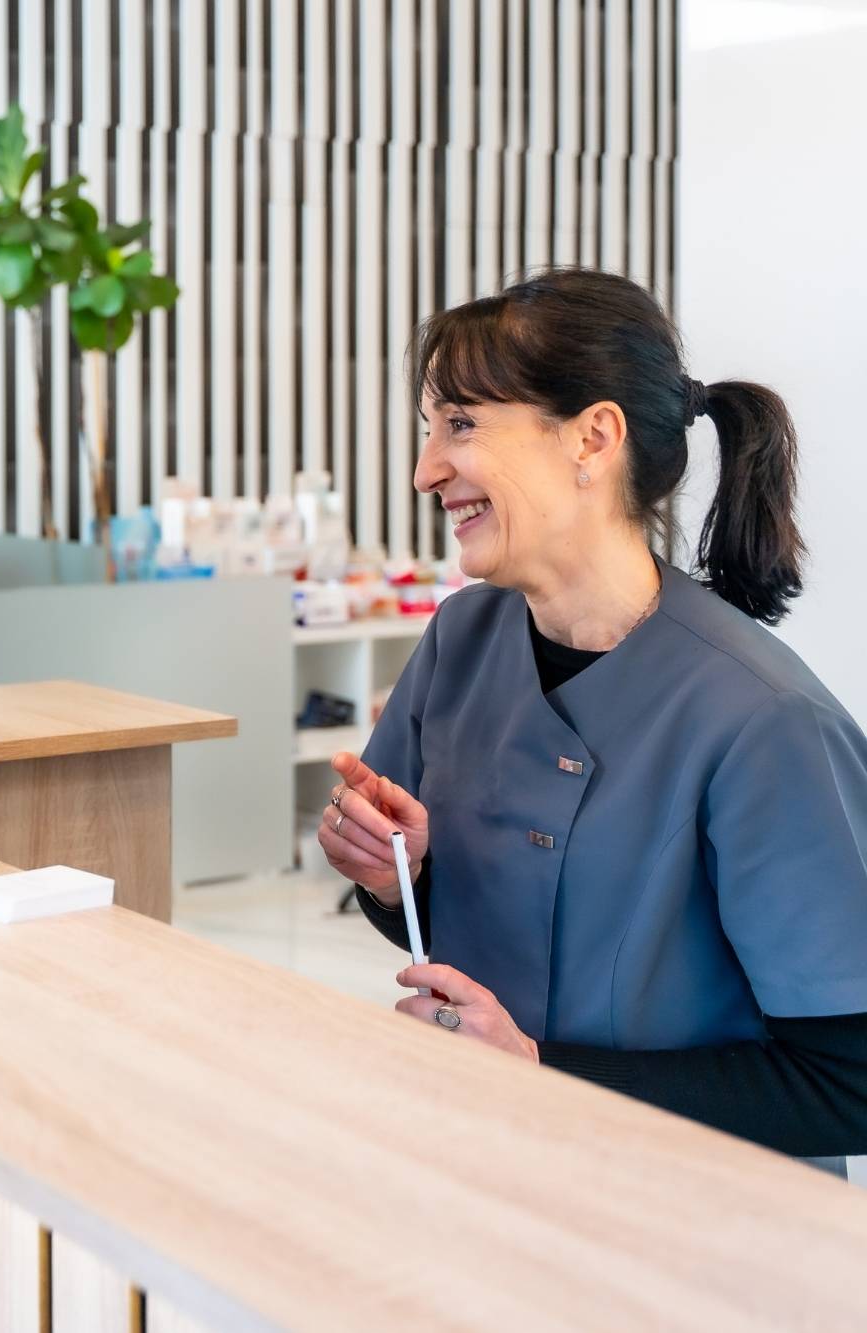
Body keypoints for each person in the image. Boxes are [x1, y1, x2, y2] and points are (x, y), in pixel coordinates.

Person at [323, 267, 867, 1172]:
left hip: (698, 1242)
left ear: (593, 438)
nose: (425, 471)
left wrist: (539, 1070)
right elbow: (443, 928)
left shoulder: (763, 722)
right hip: (490, 1167)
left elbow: (848, 1081)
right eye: (429, 431)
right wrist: (395, 879)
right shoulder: (461, 640)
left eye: (459, 425)